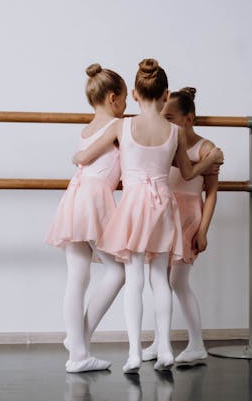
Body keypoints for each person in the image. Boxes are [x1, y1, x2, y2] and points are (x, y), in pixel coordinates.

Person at [74, 59, 221, 373]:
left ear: (136, 95)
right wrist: (210, 160)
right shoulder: (176, 131)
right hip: (163, 205)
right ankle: (165, 348)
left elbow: (85, 155)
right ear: (166, 94)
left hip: (134, 207)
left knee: (135, 280)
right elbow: (188, 171)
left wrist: (77, 156)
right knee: (160, 280)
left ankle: (133, 354)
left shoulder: (121, 125)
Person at [46, 63, 127, 373]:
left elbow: (82, 156)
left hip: (75, 197)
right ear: (112, 98)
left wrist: (79, 157)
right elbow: (86, 157)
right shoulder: (117, 127)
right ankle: (78, 344)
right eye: (124, 102)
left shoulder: (86, 129)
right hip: (93, 199)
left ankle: (78, 351)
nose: (125, 108)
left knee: (77, 278)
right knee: (117, 273)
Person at [143, 88, 222, 364]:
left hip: (189, 217)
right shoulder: (167, 142)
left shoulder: (205, 149)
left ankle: (197, 344)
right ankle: (159, 341)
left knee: (178, 280)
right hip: (166, 214)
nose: (165, 122)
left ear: (189, 119)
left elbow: (211, 192)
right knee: (159, 280)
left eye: (171, 118)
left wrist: (203, 230)